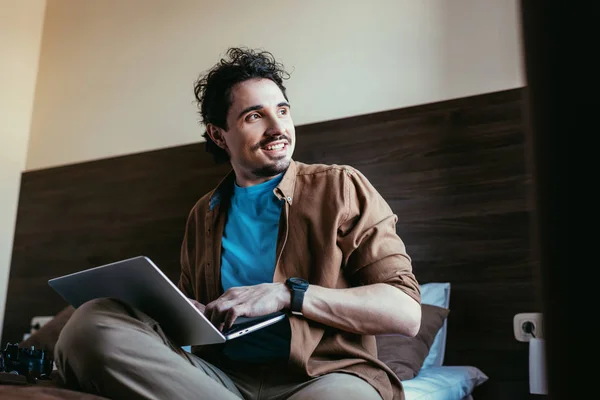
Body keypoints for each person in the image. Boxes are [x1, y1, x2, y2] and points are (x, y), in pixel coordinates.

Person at [54, 47, 421, 400]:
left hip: (326, 377)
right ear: (218, 135)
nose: (278, 128)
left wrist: (285, 294)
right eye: (254, 116)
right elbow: (194, 322)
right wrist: (189, 310)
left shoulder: (340, 186)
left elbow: (405, 312)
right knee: (88, 326)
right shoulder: (204, 213)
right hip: (220, 381)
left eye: (282, 110)